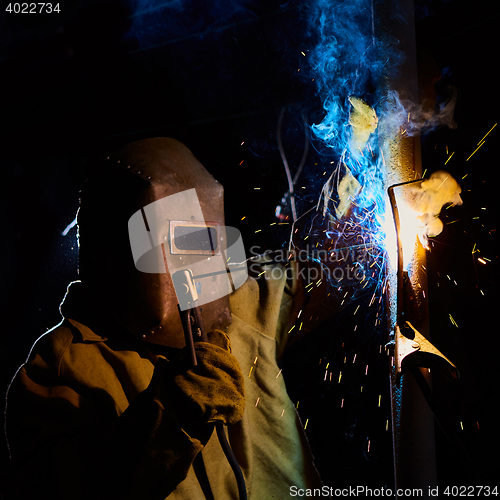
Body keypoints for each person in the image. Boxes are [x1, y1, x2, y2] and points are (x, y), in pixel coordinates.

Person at [3, 137, 324, 499]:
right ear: (112, 253)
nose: (193, 265)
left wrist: (347, 209)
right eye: (173, 244)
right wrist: (166, 418)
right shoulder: (60, 367)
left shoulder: (241, 301)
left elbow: (330, 272)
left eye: (201, 242)